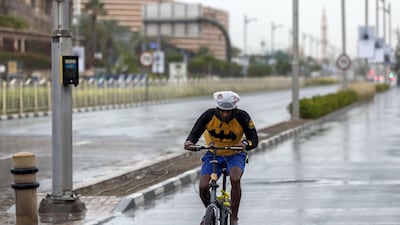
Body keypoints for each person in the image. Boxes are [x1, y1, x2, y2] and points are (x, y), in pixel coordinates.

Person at [184, 91, 258, 225]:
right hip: (213, 154)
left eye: (229, 111)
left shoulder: (242, 117)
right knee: (203, 186)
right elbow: (194, 134)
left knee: (235, 178)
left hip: (235, 154)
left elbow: (254, 139)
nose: (225, 114)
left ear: (234, 110)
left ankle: (234, 217)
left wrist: (245, 144)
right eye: (222, 111)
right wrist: (190, 143)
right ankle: (209, 211)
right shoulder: (208, 115)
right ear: (218, 109)